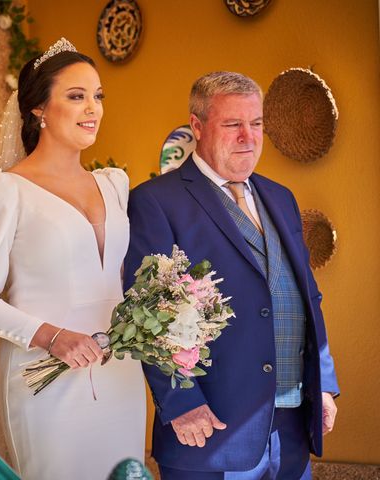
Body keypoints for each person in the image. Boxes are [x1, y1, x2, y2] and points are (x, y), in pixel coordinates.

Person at [0, 38, 146, 479]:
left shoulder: (114, 184)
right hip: (43, 374)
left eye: (97, 96)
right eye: (76, 96)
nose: (93, 108)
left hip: (121, 374)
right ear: (38, 109)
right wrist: (51, 336)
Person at [124, 71, 339, 479]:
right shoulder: (155, 202)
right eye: (232, 124)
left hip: (292, 428)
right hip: (208, 433)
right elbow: (145, 315)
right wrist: (181, 403)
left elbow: (306, 297)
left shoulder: (281, 197)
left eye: (256, 123)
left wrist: (323, 382)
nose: (249, 136)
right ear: (197, 126)